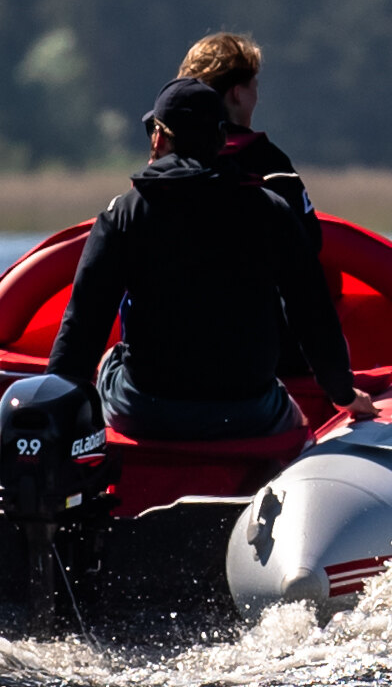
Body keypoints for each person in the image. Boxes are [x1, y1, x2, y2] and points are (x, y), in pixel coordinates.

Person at [45, 77, 358, 439]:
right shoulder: (270, 210)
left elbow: (83, 325)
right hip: (248, 411)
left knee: (108, 362)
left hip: (146, 409)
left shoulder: (124, 214)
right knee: (296, 421)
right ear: (221, 139)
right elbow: (311, 310)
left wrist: (55, 412)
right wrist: (343, 394)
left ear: (159, 137)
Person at [177, 30, 309, 213]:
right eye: (254, 86)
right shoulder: (268, 162)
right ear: (237, 94)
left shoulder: (169, 159)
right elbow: (308, 236)